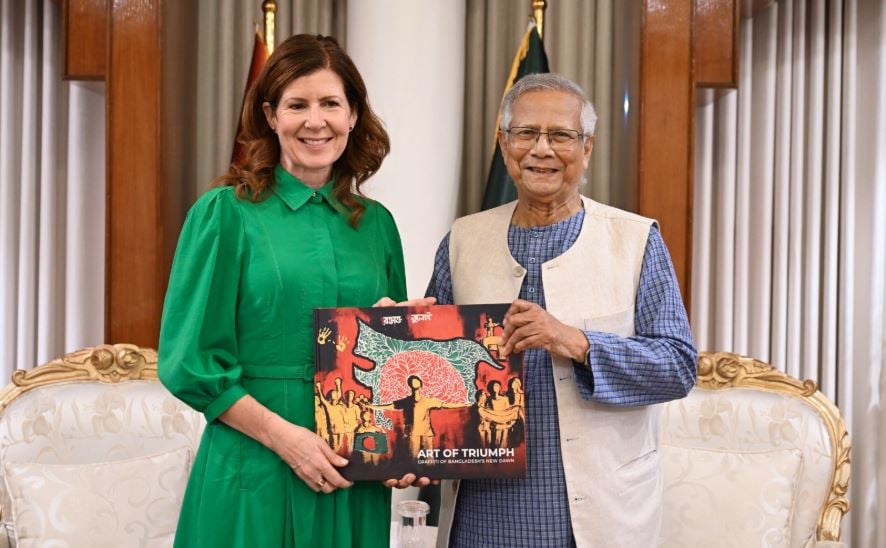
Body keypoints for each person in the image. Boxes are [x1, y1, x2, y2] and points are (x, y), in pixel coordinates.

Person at [158, 34, 429, 548]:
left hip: (350, 472)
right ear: (270, 115)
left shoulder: (377, 225)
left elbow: (387, 360)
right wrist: (285, 439)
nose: (315, 121)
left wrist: (400, 439)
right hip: (253, 464)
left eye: (330, 103)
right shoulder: (224, 214)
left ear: (353, 115)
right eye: (297, 105)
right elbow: (188, 362)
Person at [426, 73, 698, 547]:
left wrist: (573, 340)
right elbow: (434, 360)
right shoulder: (463, 240)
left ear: (587, 148)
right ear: (504, 144)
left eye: (561, 136)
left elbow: (677, 367)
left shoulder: (634, 241)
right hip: (483, 515)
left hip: (598, 514)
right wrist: (397, 327)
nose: (541, 149)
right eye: (526, 133)